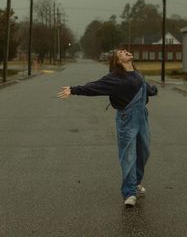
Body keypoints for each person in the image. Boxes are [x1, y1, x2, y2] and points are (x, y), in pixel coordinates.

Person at [57, 49, 158, 207]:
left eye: (126, 50)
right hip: (127, 120)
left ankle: (136, 182)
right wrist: (74, 89)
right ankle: (129, 192)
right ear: (118, 61)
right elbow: (95, 86)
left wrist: (153, 90)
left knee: (144, 152)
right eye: (121, 52)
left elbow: (143, 88)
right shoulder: (115, 78)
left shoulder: (137, 74)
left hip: (142, 118)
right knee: (128, 156)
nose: (125, 51)